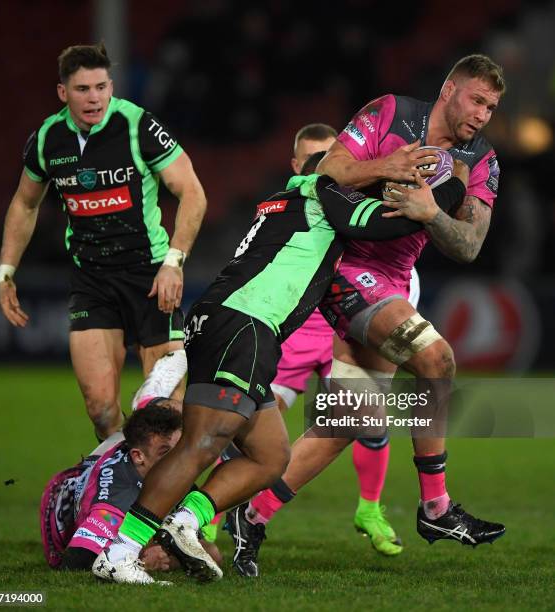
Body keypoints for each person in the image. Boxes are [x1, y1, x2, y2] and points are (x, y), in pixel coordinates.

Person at [91, 151, 469, 584]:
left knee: (270, 456)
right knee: (200, 445)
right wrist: (454, 183)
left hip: (233, 321)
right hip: (244, 322)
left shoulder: (286, 198)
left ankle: (185, 522)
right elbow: (392, 223)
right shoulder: (323, 192)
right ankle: (120, 551)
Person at [223, 55, 507, 574]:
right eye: (476, 100)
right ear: (449, 90)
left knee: (349, 420)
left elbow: (468, 245)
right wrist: (387, 167)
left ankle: (250, 515)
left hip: (395, 278)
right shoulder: (391, 112)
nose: (483, 114)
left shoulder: (482, 159)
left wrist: (432, 214)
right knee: (437, 358)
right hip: (343, 263)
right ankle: (437, 506)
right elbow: (328, 171)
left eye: (492, 106)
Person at [219, 123, 412, 576]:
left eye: (334, 157)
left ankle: (366, 507)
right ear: (298, 167)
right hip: (294, 328)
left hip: (342, 326)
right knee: (239, 425)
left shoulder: (367, 233)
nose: (330, 169)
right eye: (316, 160)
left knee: (361, 417)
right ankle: (205, 519)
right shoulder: (290, 210)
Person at [0, 43, 205, 440]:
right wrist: (6, 271)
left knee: (167, 410)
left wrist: (173, 262)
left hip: (150, 276)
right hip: (91, 280)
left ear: (111, 86)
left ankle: (167, 499)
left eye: (101, 87)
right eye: (82, 89)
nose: (94, 97)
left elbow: (192, 192)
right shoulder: (47, 139)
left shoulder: (137, 125)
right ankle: (113, 495)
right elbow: (25, 204)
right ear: (63, 93)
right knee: (100, 409)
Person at [40, 403, 222, 572]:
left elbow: (209, 552)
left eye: (179, 451)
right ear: (138, 456)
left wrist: (168, 557)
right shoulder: (115, 499)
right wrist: (141, 560)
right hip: (63, 501)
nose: (177, 461)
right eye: (165, 452)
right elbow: (74, 563)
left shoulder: (174, 474)